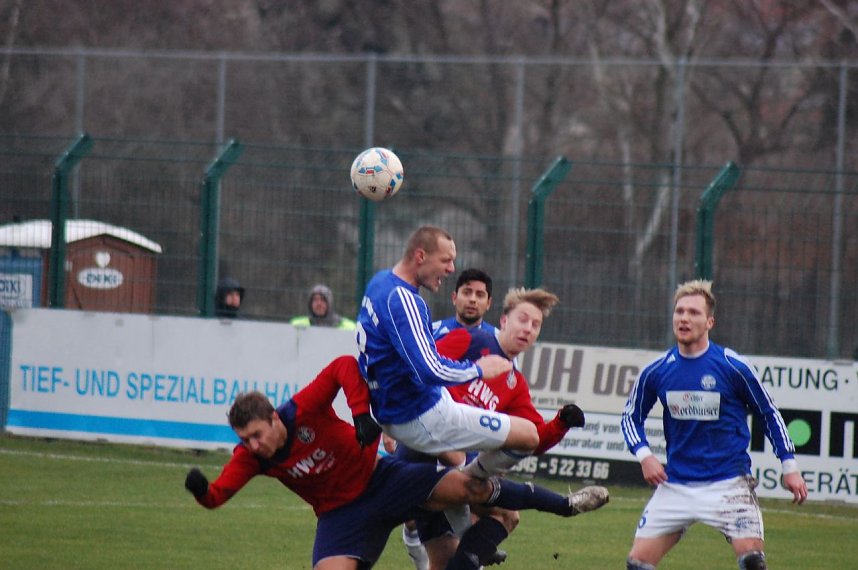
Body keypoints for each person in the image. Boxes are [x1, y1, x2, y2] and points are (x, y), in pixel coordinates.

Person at [183, 355, 608, 570]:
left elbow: (344, 366)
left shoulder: (302, 409)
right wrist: (202, 491)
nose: (253, 445)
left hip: (384, 479)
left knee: (469, 487)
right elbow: (218, 495)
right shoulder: (252, 457)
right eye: (245, 440)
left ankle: (565, 505)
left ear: (274, 418)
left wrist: (360, 413)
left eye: (257, 435)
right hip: (341, 516)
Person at [620, 279, 808, 570]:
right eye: (679, 311)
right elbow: (630, 418)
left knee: (752, 562)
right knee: (637, 564)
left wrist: (789, 466)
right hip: (677, 485)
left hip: (729, 484)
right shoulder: (656, 371)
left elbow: (768, 413)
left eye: (694, 312)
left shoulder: (732, 366)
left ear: (710, 322)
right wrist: (645, 456)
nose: (684, 318)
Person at [405, 288, 592, 569]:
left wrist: (561, 423)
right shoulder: (471, 340)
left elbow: (533, 437)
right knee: (506, 514)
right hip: (426, 455)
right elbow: (420, 369)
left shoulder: (514, 383)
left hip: (455, 468)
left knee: (450, 558)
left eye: (536, 325)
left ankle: (471, 549)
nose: (528, 329)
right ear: (504, 321)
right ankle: (561, 507)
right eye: (523, 319)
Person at [431, 268, 497, 339]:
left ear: (488, 303)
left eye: (480, 295)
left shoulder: (498, 340)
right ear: (454, 298)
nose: (472, 299)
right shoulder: (431, 332)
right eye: (466, 293)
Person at [290, 283, 356, 330]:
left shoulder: (348, 327)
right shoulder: (296, 326)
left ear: (330, 303)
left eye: (323, 300)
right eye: (315, 300)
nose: (319, 303)